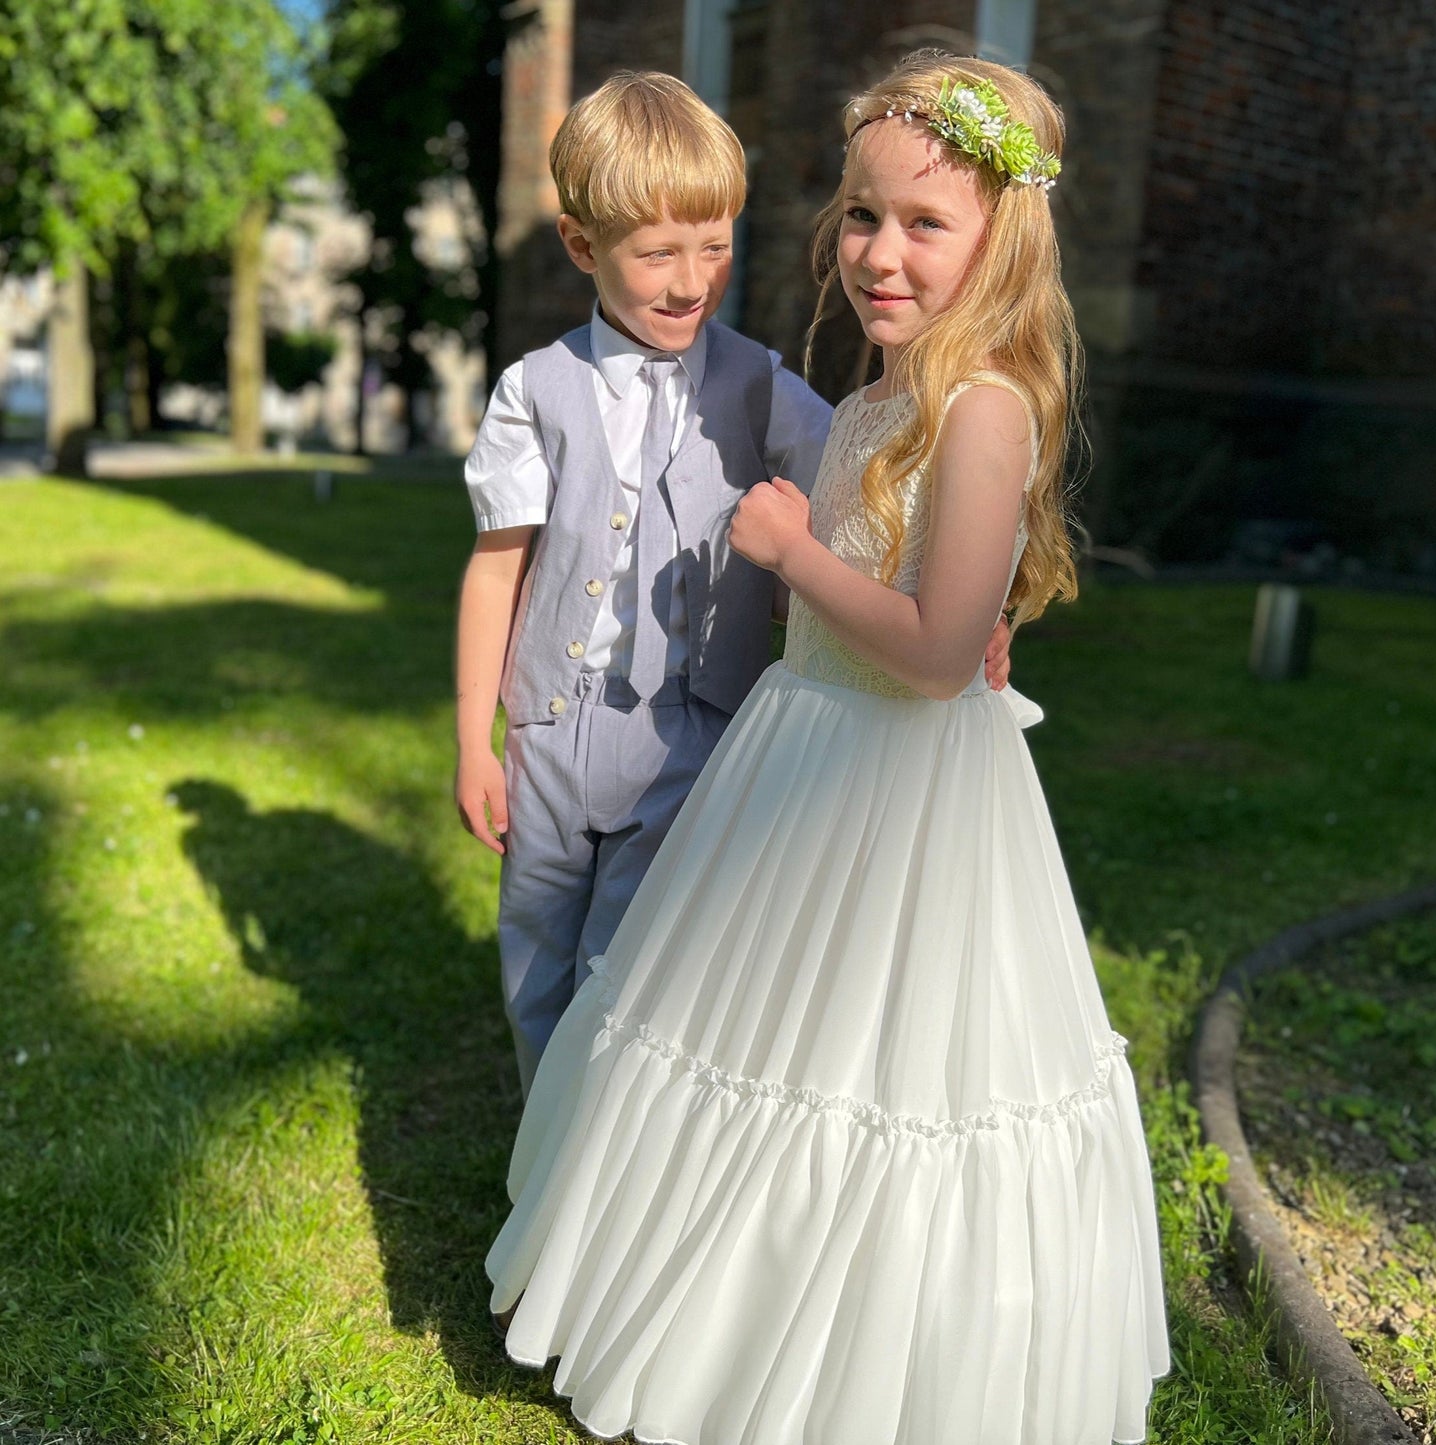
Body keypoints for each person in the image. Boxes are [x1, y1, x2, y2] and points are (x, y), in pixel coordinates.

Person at [485, 50, 1169, 1445]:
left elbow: (927, 652)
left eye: (925, 222)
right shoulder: (874, 398)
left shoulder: (982, 408)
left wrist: (796, 551)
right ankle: (697, 1305)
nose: (879, 251)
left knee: (871, 1066)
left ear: (1002, 239)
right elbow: (953, 609)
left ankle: (849, 1358)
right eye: (862, 215)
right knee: (730, 1036)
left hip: (893, 797)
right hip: (800, 762)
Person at [455, 68, 1019, 1092]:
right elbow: (496, 570)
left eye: (713, 248)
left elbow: (886, 490)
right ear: (583, 247)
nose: (690, 280)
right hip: (549, 726)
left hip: (691, 733)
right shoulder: (532, 391)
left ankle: (603, 1148)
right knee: (533, 958)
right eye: (658, 252)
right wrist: (473, 740)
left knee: (628, 968)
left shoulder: (764, 386)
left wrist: (986, 608)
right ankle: (542, 1155)